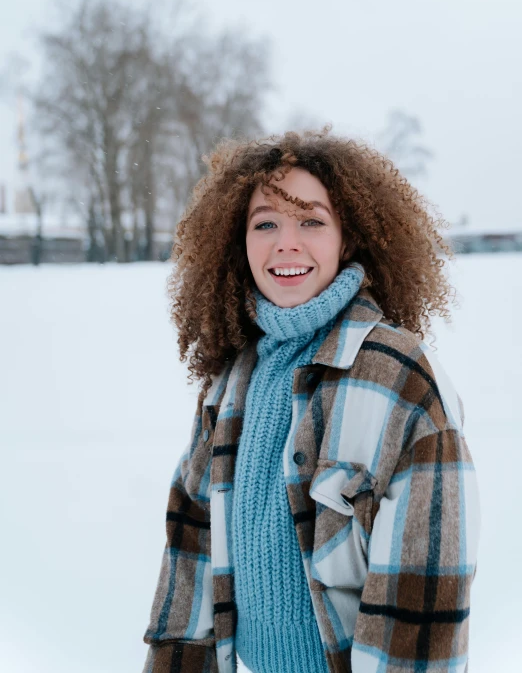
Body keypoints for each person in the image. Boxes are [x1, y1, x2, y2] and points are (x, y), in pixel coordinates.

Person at [142, 128, 480, 673]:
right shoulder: (233, 378)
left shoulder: (398, 377)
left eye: (312, 222)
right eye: (266, 223)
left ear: (348, 239)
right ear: (240, 239)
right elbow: (193, 545)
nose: (286, 243)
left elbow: (422, 594)